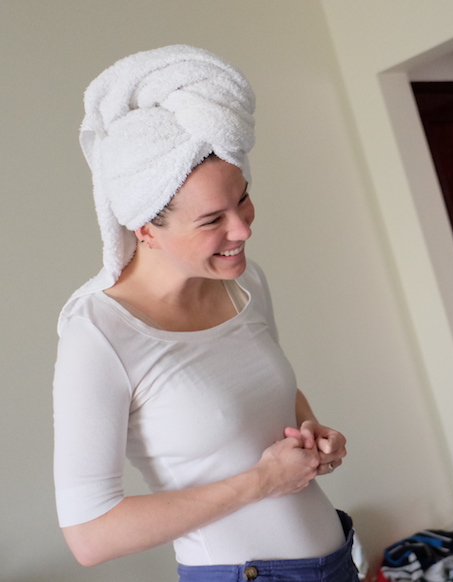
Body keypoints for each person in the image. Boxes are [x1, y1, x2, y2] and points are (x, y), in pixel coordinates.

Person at [52, 45, 357, 582]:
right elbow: (90, 535)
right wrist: (261, 482)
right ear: (145, 229)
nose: (242, 229)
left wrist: (311, 434)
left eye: (243, 200)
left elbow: (273, 400)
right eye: (213, 219)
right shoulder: (99, 334)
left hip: (335, 561)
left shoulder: (245, 285)